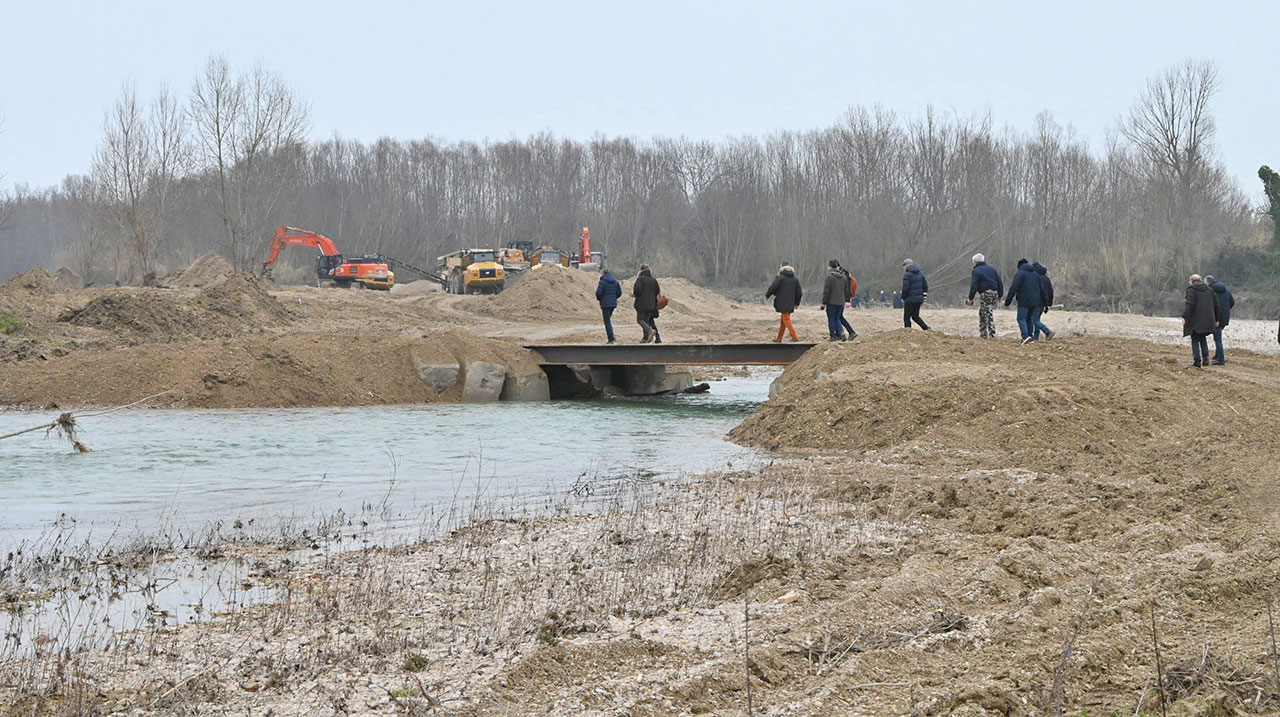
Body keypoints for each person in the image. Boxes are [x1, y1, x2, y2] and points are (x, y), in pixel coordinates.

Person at [1181, 274, 1220, 369]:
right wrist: (1217, 319)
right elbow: (1217, 305)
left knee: (1194, 339)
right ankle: (1206, 358)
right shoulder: (1209, 290)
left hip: (1196, 320)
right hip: (1207, 320)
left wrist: (1184, 317)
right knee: (1202, 338)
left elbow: (1189, 305)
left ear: (1192, 281)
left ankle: (1197, 361)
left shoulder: (1191, 290)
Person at [1004, 258, 1042, 344]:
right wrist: (1045, 302)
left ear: (1019, 266)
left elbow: (1013, 288)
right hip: (1035, 301)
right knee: (1029, 319)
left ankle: (1025, 336)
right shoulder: (1036, 275)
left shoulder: (1020, 274)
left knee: (1021, 318)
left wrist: (1007, 302)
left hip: (1024, 300)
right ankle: (1030, 337)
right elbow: (1042, 289)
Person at [966, 253, 1003, 339]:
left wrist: (970, 298)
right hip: (994, 293)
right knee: (983, 312)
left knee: (986, 313)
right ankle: (984, 334)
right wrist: (1000, 295)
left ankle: (990, 334)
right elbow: (1000, 282)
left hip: (986, 293)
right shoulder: (992, 269)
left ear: (975, 261)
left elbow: (974, 286)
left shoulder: (976, 271)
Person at [765, 264, 802, 342]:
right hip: (791, 302)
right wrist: (797, 303)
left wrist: (767, 295)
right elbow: (799, 292)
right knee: (784, 319)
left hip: (782, 301)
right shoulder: (795, 279)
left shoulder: (780, 278)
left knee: (786, 319)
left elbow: (773, 287)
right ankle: (779, 338)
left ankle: (794, 337)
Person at [1206, 275, 1235, 365]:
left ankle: (1221, 359)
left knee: (1217, 339)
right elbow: (1232, 302)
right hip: (1225, 317)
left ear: (1208, 282)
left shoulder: (1210, 291)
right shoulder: (1226, 290)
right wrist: (1225, 310)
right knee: (1218, 336)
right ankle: (1217, 355)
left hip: (1216, 318)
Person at [821, 260, 850, 341]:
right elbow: (846, 290)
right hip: (841, 302)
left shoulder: (829, 277)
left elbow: (826, 291)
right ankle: (841, 333)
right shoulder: (843, 277)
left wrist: (824, 303)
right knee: (837, 318)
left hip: (832, 302)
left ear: (830, 267)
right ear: (837, 266)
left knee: (831, 319)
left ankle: (833, 336)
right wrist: (846, 300)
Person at [633, 264, 661, 344]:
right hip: (651, 305)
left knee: (640, 320)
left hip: (642, 304)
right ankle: (645, 338)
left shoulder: (640, 279)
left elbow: (637, 290)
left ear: (640, 271)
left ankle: (649, 330)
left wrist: (635, 295)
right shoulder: (653, 280)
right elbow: (657, 291)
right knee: (646, 321)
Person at [595, 269, 623, 344]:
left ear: (603, 273)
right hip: (613, 304)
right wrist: (614, 297)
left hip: (605, 304)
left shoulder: (602, 282)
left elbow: (598, 293)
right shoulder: (616, 282)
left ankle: (611, 338)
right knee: (608, 320)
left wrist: (600, 299)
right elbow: (619, 293)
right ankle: (611, 338)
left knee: (607, 322)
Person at [900, 259, 930, 330]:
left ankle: (908, 332)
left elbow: (905, 288)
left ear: (907, 265)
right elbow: (925, 286)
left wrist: (903, 297)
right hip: (919, 299)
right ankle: (926, 328)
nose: (904, 268)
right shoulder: (920, 274)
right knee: (915, 316)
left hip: (909, 300)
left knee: (907, 317)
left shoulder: (907, 275)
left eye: (904, 266)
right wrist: (924, 297)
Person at [1030, 262, 1055, 341]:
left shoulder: (1035, 277)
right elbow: (1050, 292)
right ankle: (1036, 337)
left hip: (1036, 301)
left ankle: (1047, 331)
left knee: (1034, 320)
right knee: (1037, 319)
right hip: (1043, 303)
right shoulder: (1046, 278)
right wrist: (1048, 304)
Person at [836, 261, 858, 338]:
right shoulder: (845, 273)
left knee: (838, 316)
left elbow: (847, 288)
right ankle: (848, 332)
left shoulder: (843, 275)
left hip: (842, 299)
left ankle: (848, 332)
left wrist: (847, 300)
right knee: (839, 316)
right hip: (842, 298)